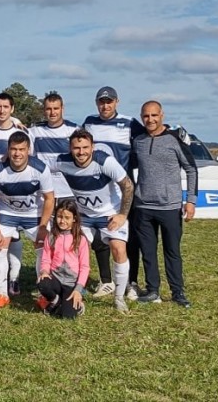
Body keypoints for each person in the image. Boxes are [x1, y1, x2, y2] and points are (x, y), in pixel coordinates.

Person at [56, 129, 135, 313]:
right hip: (84, 217)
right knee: (71, 249)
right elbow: (39, 168)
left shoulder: (104, 161)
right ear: (70, 148)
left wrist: (122, 215)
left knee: (118, 248)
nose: (81, 152)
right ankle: (71, 292)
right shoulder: (62, 161)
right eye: (77, 148)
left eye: (85, 147)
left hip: (110, 214)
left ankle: (119, 298)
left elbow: (128, 185)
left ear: (92, 147)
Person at [132, 101, 197, 308]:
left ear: (162, 115)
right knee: (148, 252)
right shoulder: (138, 141)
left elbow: (191, 169)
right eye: (146, 116)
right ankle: (152, 291)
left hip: (169, 207)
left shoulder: (174, 140)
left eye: (154, 115)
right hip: (143, 206)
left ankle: (177, 292)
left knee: (172, 251)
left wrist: (191, 201)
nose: (150, 120)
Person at [82, 87, 145, 299]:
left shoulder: (129, 123)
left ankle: (131, 283)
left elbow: (145, 143)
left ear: (117, 102)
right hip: (99, 190)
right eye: (101, 102)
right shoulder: (89, 122)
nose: (105, 106)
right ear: (96, 102)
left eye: (109, 102)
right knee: (100, 237)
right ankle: (106, 280)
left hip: (123, 189)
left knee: (128, 238)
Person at [0, 131, 55, 308]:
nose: (17, 153)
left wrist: (43, 226)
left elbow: (49, 199)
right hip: (7, 212)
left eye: (21, 149)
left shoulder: (40, 168)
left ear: (28, 150)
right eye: (13, 149)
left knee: (45, 248)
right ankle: (2, 294)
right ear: (8, 150)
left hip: (34, 214)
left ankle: (43, 295)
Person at [38, 200, 90, 319]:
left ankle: (77, 304)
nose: (62, 221)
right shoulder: (51, 236)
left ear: (74, 219)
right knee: (42, 283)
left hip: (71, 283)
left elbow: (85, 267)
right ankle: (55, 300)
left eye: (67, 217)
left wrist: (78, 289)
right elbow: (46, 258)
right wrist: (45, 271)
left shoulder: (80, 239)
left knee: (67, 316)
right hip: (56, 277)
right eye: (59, 217)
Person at [27, 92, 78, 204]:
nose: (52, 112)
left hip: (69, 191)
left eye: (56, 108)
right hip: (43, 191)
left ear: (62, 109)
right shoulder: (35, 130)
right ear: (44, 110)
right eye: (49, 109)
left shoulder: (73, 130)